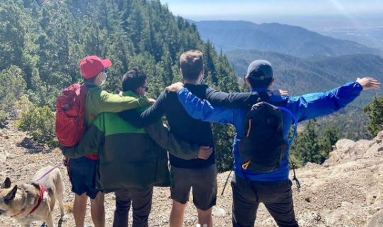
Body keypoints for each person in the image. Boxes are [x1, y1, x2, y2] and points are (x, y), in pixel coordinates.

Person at [167, 59, 380, 227]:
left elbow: (200, 110)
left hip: (245, 183)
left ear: (247, 80)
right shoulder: (290, 105)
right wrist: (357, 85)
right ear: (272, 81)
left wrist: (182, 90)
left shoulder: (238, 109)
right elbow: (328, 100)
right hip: (277, 181)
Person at [118, 50, 271, 227]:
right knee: (205, 213)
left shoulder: (169, 94)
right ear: (202, 72)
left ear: (181, 71)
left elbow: (142, 120)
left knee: (177, 207)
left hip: (179, 164)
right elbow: (230, 99)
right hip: (206, 164)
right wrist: (264, 95)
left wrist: (121, 108)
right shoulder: (206, 92)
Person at [61, 67, 213, 227]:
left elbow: (88, 143)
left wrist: (68, 151)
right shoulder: (147, 111)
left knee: (121, 208)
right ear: (139, 89)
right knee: (140, 216)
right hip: (142, 176)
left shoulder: (108, 112)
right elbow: (166, 140)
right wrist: (194, 152)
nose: (145, 91)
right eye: (145, 88)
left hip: (115, 175)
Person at [69, 56, 154, 227]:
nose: (105, 74)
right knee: (97, 198)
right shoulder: (99, 96)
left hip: (75, 151)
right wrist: (145, 100)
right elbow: (121, 103)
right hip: (92, 155)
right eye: (104, 71)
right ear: (98, 75)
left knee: (79, 195)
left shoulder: (77, 91)